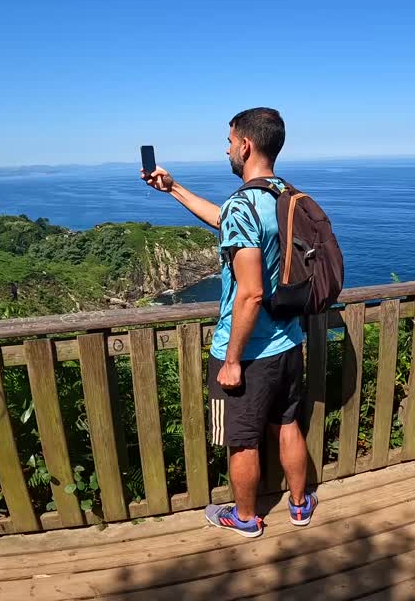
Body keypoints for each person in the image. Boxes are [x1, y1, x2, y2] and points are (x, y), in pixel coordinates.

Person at [140, 107, 317, 538]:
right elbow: (227, 221)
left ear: (246, 145)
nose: (227, 147)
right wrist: (174, 188)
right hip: (288, 342)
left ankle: (245, 518)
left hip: (248, 355)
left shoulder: (245, 205)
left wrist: (233, 359)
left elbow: (251, 290)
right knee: (288, 423)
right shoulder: (282, 195)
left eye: (229, 140)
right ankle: (298, 505)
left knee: (242, 440)